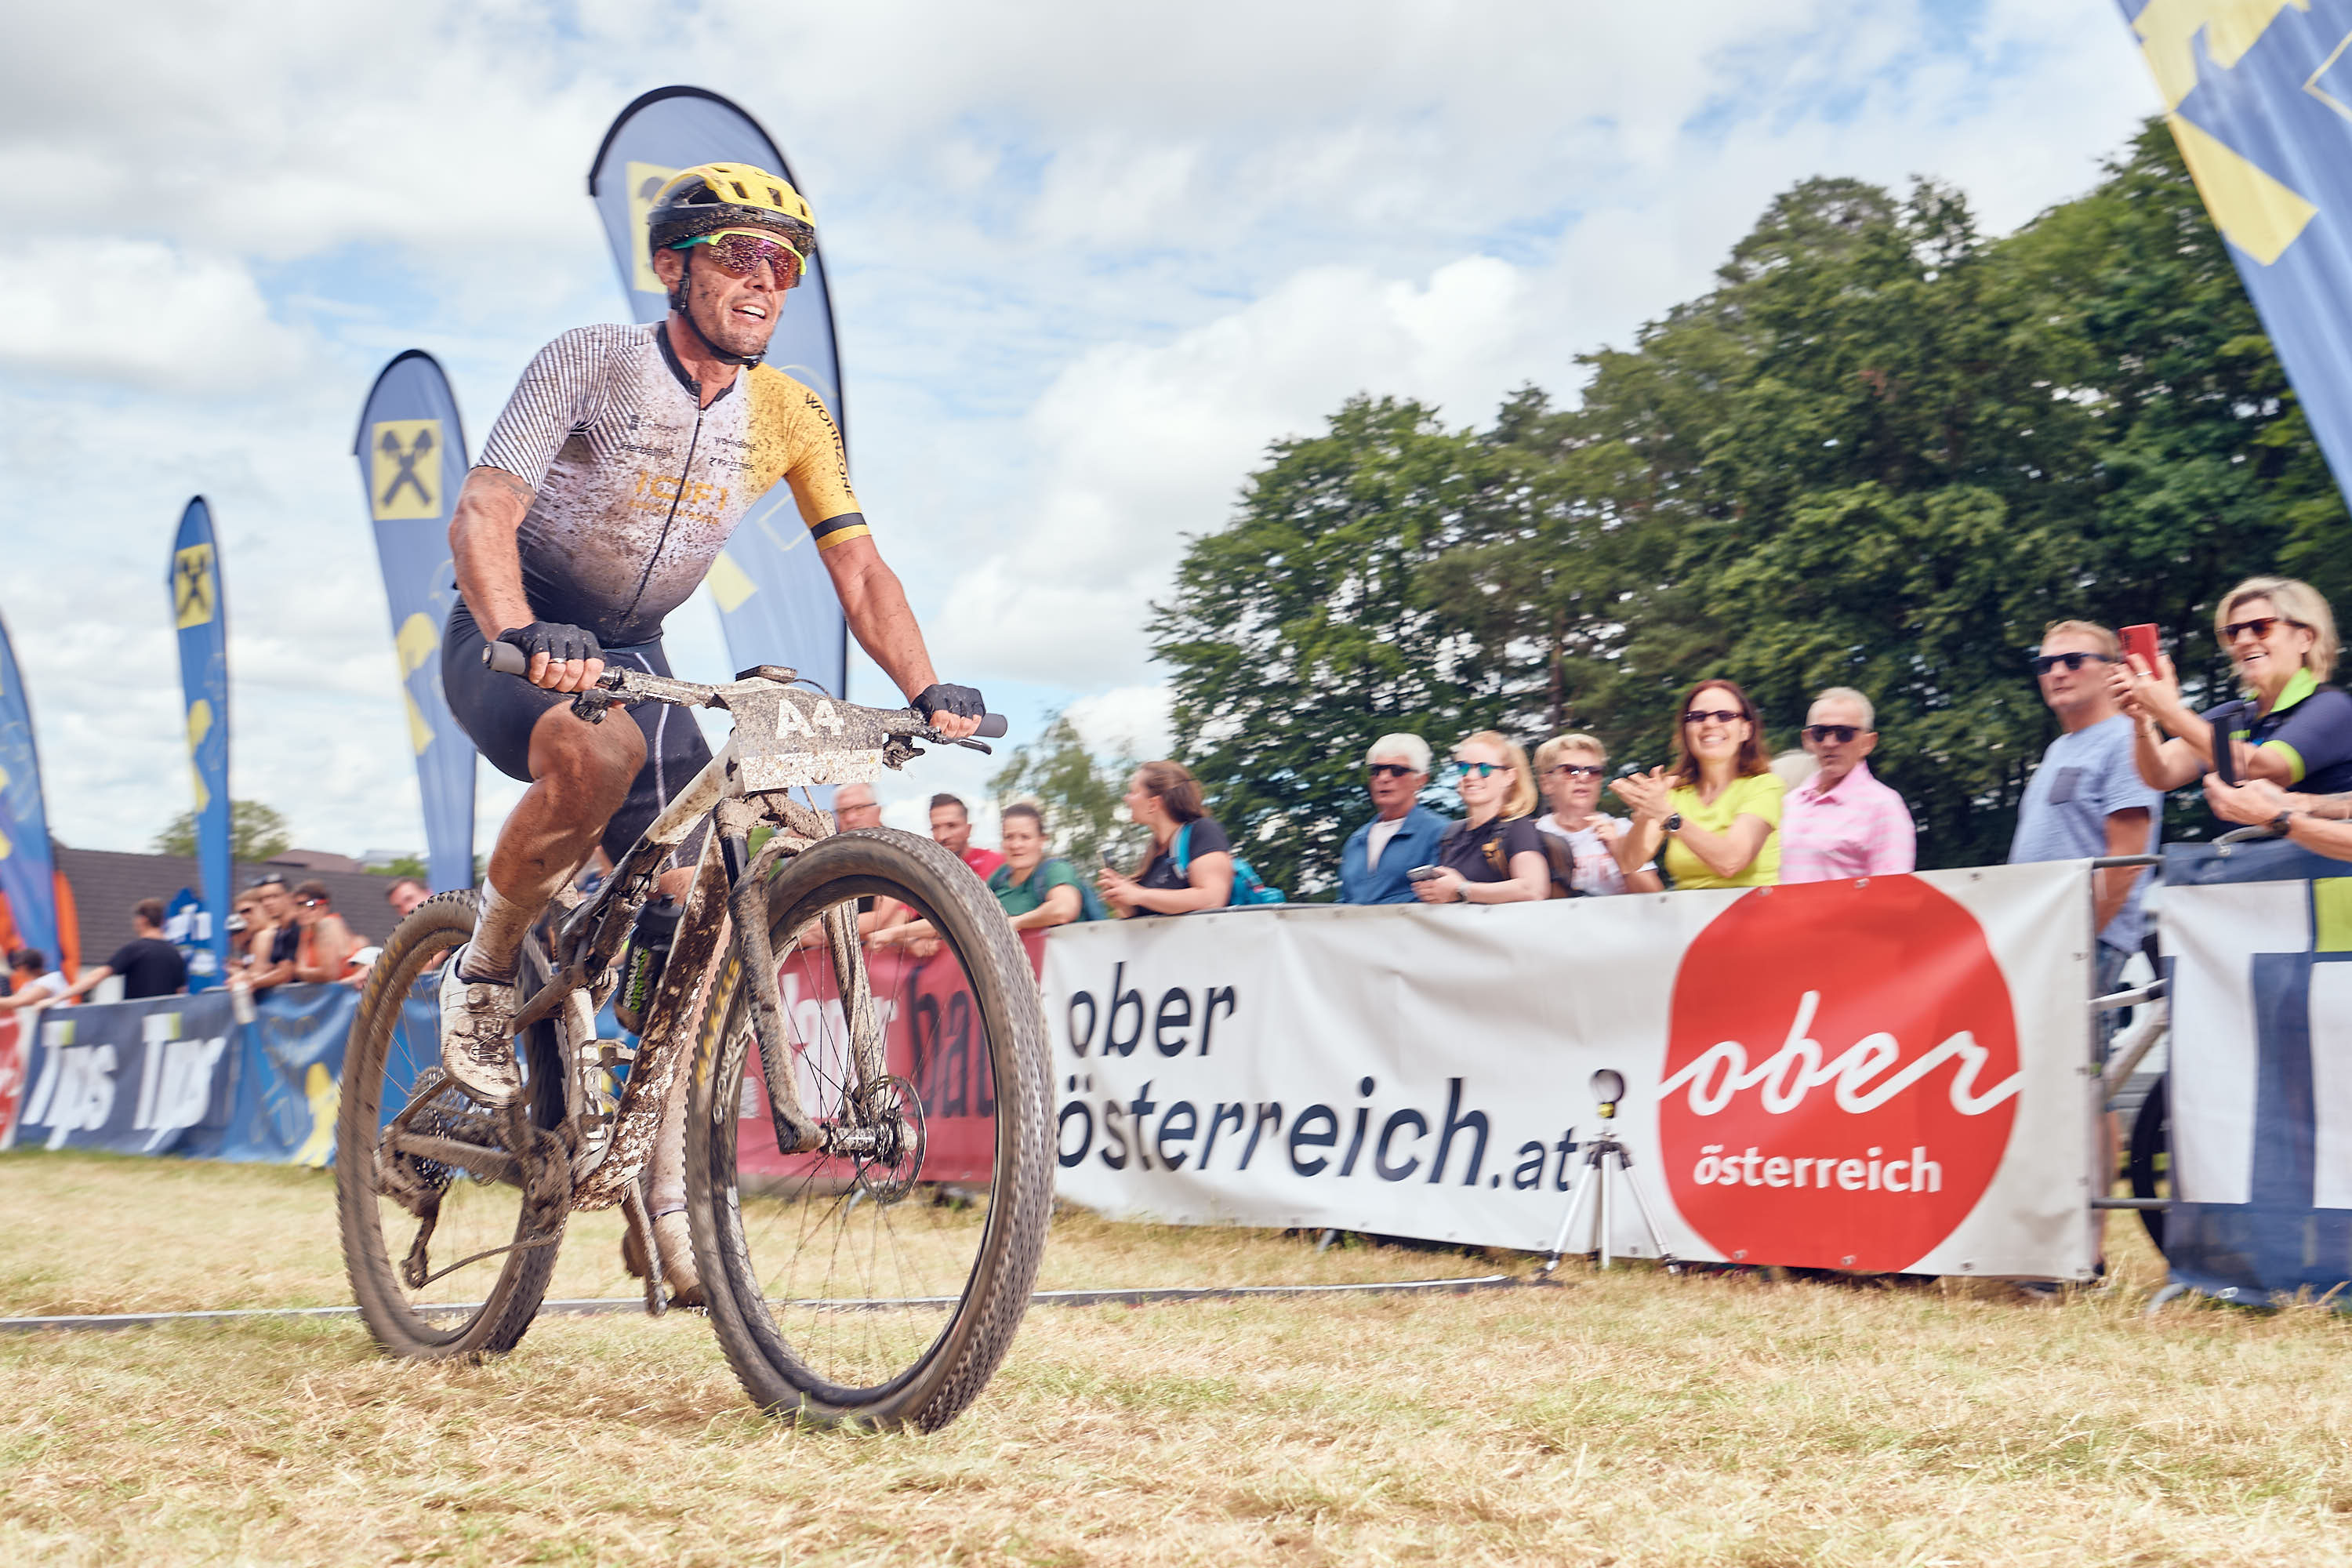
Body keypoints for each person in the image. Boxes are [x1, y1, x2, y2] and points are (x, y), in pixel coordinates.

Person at [433, 162, 986, 1304]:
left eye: (784, 265)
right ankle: (483, 968)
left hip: (635, 653)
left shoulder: (788, 412)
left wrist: (927, 686)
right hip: (518, 630)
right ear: (671, 266)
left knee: (702, 914)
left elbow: (860, 567)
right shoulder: (590, 361)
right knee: (601, 753)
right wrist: (520, 629)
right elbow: (484, 508)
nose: (765, 280)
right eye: (739, 254)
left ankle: (659, 1182)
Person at [2013, 620, 2160, 998]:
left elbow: (2127, 862)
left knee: (2076, 1040)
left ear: (2112, 671)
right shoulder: (2058, 749)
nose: (2057, 672)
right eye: (2046, 664)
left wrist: (2074, 938)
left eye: (2074, 660)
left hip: (2086, 942)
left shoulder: (2127, 738)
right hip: (2036, 937)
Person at [2114, 576, 2352, 800]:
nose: (2243, 641)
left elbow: (2265, 769)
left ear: (2305, 639)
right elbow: (2161, 775)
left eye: (2261, 627)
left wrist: (2171, 712)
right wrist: (2142, 721)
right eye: (2233, 632)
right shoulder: (2233, 715)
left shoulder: (2331, 707)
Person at [1614, 679, 1784, 889]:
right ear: (1686, 731)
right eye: (1697, 717)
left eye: (1724, 716)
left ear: (1746, 730)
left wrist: (1669, 817)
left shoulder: (1765, 786)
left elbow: (1731, 862)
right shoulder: (1673, 792)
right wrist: (1645, 813)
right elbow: (1630, 863)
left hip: (1755, 910)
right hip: (1690, 911)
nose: (1710, 724)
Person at [1778, 688, 1917, 884]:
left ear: (1868, 743)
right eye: (1820, 733)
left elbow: (1892, 891)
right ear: (1807, 739)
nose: (1829, 742)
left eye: (1844, 734)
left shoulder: (1884, 806)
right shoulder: (1788, 804)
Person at [1414, 732, 1549, 905]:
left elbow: (1533, 890)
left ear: (1509, 777)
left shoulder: (1518, 828)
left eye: (1484, 768)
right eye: (1464, 767)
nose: (1471, 776)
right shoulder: (1452, 833)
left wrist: (1461, 889)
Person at [1098, 762, 1236, 916]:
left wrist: (1139, 895)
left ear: (1153, 803)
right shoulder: (1154, 851)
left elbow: (1212, 899)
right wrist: (1124, 902)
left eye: (1133, 792)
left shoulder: (1202, 830)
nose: (1126, 798)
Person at [1531, 734, 1660, 897]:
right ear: (1546, 783)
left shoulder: (1623, 830)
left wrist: (1618, 850)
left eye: (1594, 772)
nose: (1583, 778)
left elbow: (1655, 898)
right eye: (1570, 771)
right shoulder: (1532, 835)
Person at [1338, 734, 1450, 905]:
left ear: (1421, 780)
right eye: (1376, 771)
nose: (1383, 778)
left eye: (1396, 770)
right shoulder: (1356, 841)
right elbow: (1342, 904)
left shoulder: (1442, 833)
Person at [56, 899, 187, 1002]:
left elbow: (97, 976)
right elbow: (180, 992)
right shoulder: (175, 954)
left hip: (137, 1021)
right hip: (164, 1023)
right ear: (162, 921)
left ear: (142, 920)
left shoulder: (136, 949)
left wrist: (58, 998)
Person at [290, 882, 364, 985]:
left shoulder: (327, 924)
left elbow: (328, 973)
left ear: (324, 907)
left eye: (311, 905)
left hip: (350, 991)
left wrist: (301, 972)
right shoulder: (307, 931)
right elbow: (300, 968)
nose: (302, 911)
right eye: (298, 906)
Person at [243, 873, 301, 993]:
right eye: (262, 899)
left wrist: (248, 983)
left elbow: (285, 974)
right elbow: (268, 970)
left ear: (290, 897)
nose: (267, 903)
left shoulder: (300, 926)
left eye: (274, 896)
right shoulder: (280, 933)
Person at [929, 794, 1004, 880]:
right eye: (935, 827)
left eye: (951, 826)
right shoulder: (929, 870)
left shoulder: (996, 865)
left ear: (968, 830)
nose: (942, 836)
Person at [0, 949, 67, 1012]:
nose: (17, 971)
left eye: (17, 967)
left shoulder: (51, 979)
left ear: (24, 967)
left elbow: (21, 1001)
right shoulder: (28, 985)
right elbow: (12, 1000)